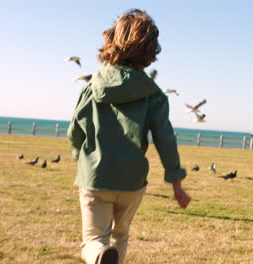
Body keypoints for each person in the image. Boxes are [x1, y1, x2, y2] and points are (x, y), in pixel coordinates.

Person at [67, 9, 191, 264]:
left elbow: (75, 128)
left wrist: (79, 153)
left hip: (95, 175)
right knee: (120, 235)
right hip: (132, 181)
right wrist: (176, 182)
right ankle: (109, 255)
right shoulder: (153, 94)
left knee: (93, 240)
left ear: (111, 41)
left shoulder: (92, 86)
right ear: (150, 52)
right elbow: (165, 138)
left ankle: (100, 254)